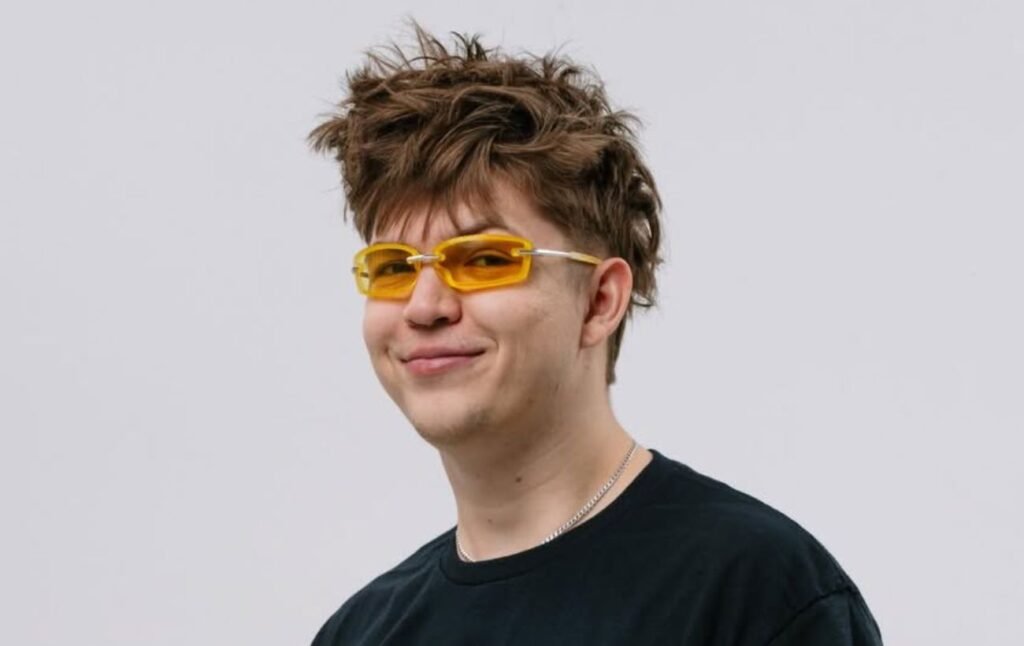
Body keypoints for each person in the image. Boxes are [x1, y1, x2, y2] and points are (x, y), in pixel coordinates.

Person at [308, 25, 883, 646]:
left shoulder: (756, 592)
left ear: (599, 300)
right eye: (393, 268)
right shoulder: (359, 633)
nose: (423, 307)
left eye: (485, 259)